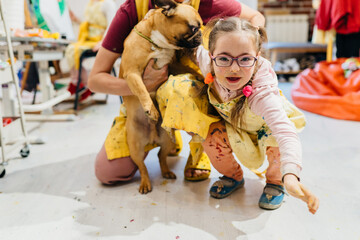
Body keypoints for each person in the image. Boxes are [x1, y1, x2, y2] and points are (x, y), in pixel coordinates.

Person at [88, 0, 265, 184]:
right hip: (142, 105)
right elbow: (94, 80)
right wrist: (142, 86)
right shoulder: (133, 8)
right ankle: (169, 133)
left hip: (192, 93)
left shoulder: (208, 3)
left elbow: (255, 16)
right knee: (109, 172)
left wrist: (250, 45)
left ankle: (199, 146)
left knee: (181, 90)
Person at [173, 17, 318, 213]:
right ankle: (233, 176)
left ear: (257, 57)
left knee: (277, 144)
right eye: (224, 58)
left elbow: (286, 133)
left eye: (245, 59)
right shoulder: (208, 61)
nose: (234, 68)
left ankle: (276, 182)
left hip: (266, 128)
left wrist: (290, 176)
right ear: (211, 55)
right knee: (211, 137)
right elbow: (193, 49)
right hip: (235, 125)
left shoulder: (262, 93)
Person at [65, 0, 116, 101]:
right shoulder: (90, 4)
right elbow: (87, 24)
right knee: (70, 49)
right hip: (88, 39)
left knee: (74, 50)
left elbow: (112, 25)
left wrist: (103, 42)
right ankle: (80, 82)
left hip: (100, 39)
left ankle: (81, 83)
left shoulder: (108, 3)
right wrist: (75, 19)